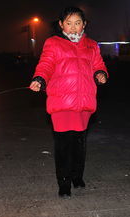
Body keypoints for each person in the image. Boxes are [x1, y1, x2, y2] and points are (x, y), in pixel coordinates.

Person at [29, 6, 108, 197]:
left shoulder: (92, 45)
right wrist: (39, 78)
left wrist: (101, 73)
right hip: (62, 103)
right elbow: (46, 64)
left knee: (79, 143)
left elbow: (98, 64)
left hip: (84, 103)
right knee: (64, 145)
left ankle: (77, 176)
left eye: (78, 23)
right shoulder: (53, 43)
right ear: (61, 24)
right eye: (69, 23)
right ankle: (64, 183)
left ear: (84, 24)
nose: (73, 28)